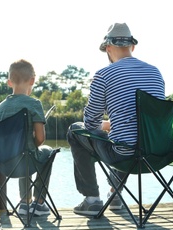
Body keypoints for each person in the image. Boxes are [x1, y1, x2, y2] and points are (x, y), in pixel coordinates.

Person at [67, 23, 165, 216]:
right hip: (156, 153)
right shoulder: (155, 73)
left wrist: (106, 126)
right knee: (129, 136)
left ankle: (92, 200)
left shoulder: (104, 75)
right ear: (132, 47)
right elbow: (152, 121)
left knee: (75, 130)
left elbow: (90, 123)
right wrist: (114, 125)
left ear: (108, 48)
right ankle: (115, 194)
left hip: (123, 155)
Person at [0, 59, 54, 216]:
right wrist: (32, 143)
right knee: (46, 151)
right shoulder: (33, 104)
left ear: (9, 82)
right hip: (25, 161)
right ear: (32, 81)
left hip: (4, 162)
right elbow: (41, 139)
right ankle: (39, 203)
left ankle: (24, 203)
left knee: (23, 152)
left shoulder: (0, 108)